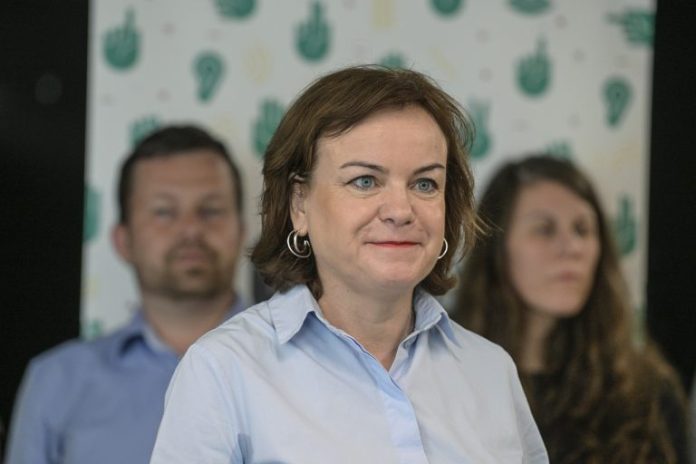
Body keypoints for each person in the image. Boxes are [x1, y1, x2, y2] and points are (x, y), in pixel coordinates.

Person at [149, 66, 548, 463]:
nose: (400, 210)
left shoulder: (491, 371)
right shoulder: (222, 370)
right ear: (299, 204)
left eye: (425, 183)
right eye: (365, 181)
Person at [6, 125, 247, 464]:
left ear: (242, 231)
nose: (191, 229)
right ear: (124, 240)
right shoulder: (56, 381)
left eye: (211, 210)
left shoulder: (302, 363)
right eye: (164, 212)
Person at [453, 155, 690, 463]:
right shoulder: (442, 375)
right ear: (497, 247)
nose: (572, 247)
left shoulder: (647, 394)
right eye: (544, 229)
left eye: (582, 229)